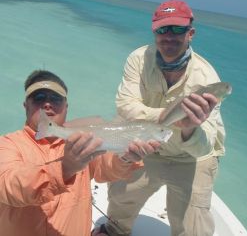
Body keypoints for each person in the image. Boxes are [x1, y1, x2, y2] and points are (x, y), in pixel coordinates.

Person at [94, 0, 226, 236]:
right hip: (148, 145)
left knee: (193, 227)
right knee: (120, 196)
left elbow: (204, 146)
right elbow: (125, 106)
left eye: (177, 29)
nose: (169, 36)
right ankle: (115, 229)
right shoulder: (138, 59)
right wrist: (174, 117)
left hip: (191, 158)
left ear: (190, 33)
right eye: (163, 29)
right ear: (154, 32)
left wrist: (189, 129)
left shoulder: (206, 79)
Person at [0, 70, 160, 236]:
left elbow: (108, 169)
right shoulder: (7, 144)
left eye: (55, 98)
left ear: (66, 107)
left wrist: (126, 158)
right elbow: (8, 187)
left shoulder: (81, 138)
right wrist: (65, 168)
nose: (47, 104)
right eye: (39, 98)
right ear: (26, 106)